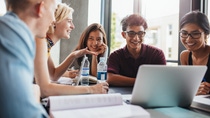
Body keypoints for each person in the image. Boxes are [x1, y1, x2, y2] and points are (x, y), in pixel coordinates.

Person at [34, 3, 109, 98]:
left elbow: (53, 75)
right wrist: (91, 89)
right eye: (69, 21)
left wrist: (73, 55)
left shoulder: (46, 45)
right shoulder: (40, 41)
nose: (72, 26)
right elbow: (45, 89)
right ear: (55, 21)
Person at [0, 0, 56, 117]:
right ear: (40, 8)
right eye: (53, 11)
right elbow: (20, 113)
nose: (54, 20)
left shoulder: (10, 29)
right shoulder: (13, 35)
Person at [107, 14, 166, 87]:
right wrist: (143, 82)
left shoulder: (157, 54)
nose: (136, 38)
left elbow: (162, 80)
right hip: (122, 96)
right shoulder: (115, 56)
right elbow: (110, 78)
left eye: (140, 33)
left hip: (149, 96)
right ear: (124, 35)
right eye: (131, 33)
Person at [179, 11, 210, 95]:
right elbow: (187, 87)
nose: (188, 39)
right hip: (197, 102)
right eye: (184, 33)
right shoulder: (184, 56)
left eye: (195, 33)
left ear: (206, 34)